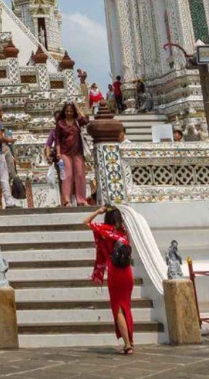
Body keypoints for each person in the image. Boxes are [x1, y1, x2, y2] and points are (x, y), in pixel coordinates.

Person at [84, 205, 135, 355]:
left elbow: (85, 222)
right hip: (127, 273)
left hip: (115, 273)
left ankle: (127, 345)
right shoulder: (124, 233)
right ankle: (130, 341)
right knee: (126, 307)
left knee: (118, 309)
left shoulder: (104, 230)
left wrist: (98, 211)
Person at [54, 102, 90, 207]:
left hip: (77, 151)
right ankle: (66, 200)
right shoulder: (60, 123)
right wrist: (58, 152)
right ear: (64, 112)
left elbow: (85, 120)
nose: (69, 113)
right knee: (67, 175)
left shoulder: (77, 122)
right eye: (67, 111)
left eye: (71, 111)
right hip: (65, 152)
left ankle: (81, 199)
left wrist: (78, 108)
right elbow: (57, 139)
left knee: (80, 175)